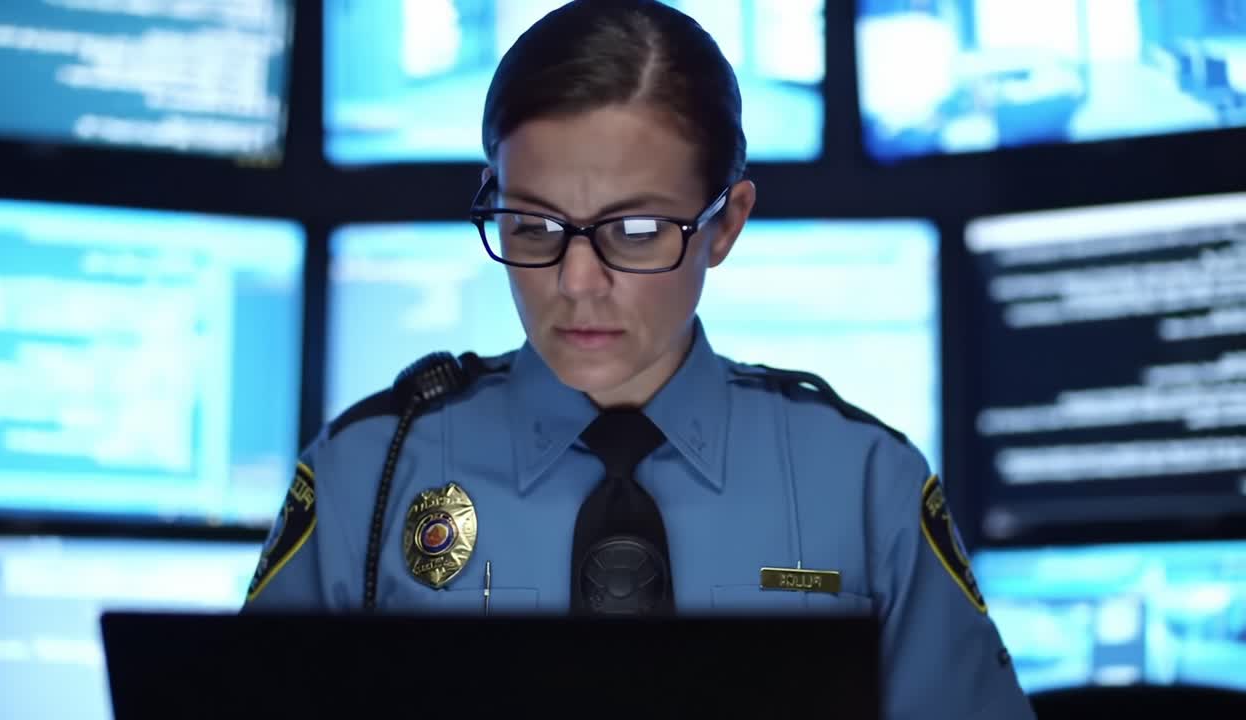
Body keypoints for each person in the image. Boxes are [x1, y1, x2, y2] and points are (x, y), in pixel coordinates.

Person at [243, 1, 1033, 716]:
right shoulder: (371, 476)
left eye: (636, 231)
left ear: (726, 225)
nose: (576, 284)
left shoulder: (864, 484)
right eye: (532, 226)